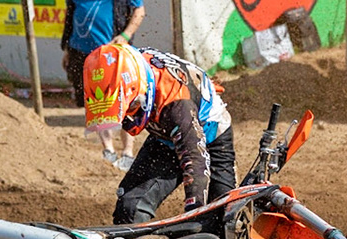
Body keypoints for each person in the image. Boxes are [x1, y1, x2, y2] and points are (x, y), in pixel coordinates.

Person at [83, 43, 235, 224]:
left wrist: (193, 213)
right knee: (130, 208)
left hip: (211, 133)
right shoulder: (127, 64)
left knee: (221, 216)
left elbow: (195, 158)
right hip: (164, 136)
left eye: (131, 107)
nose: (128, 116)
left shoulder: (176, 103)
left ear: (137, 89)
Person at [60, 0, 146, 144]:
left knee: (124, 99)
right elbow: (71, 11)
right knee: (94, 103)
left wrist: (125, 36)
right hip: (81, 51)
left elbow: (139, 10)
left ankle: (127, 150)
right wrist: (67, 48)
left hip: (113, 51)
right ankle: (107, 149)